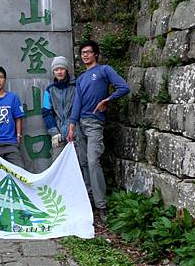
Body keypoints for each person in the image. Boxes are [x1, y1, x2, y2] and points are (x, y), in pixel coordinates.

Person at [68, 40, 130, 222]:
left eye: (88, 52)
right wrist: (71, 125)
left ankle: (101, 205)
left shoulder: (104, 70)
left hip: (95, 123)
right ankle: (89, 201)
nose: (85, 55)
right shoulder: (80, 78)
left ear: (96, 54)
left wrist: (107, 100)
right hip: (80, 124)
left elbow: (124, 87)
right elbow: (77, 103)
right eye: (83, 53)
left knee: (94, 161)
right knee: (84, 163)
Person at [41, 56, 77, 161]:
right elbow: (46, 112)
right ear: (53, 72)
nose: (59, 72)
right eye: (56, 69)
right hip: (58, 132)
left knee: (78, 164)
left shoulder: (75, 86)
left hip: (75, 131)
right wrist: (54, 132)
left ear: (66, 70)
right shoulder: (50, 90)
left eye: (61, 69)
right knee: (57, 163)